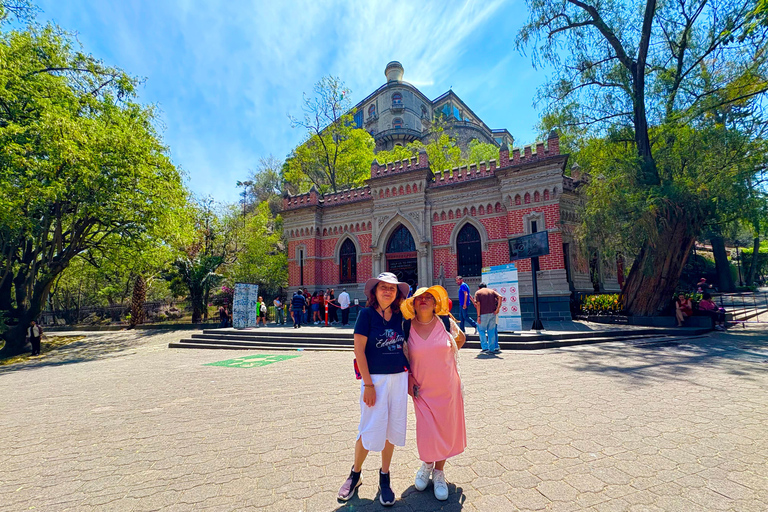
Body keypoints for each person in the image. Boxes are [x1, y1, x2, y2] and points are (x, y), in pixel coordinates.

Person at [338, 272, 410, 506]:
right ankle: (355, 473)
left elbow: (410, 344)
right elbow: (359, 351)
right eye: (383, 287)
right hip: (375, 380)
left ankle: (384, 476)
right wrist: (368, 384)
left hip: (398, 378)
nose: (388, 291)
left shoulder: (402, 316)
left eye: (392, 288)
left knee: (392, 428)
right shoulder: (366, 315)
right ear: (374, 291)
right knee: (369, 427)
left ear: (397, 293)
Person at [400, 286, 466, 501]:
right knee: (427, 431)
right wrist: (409, 377)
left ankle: (438, 472)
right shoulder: (406, 326)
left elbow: (461, 339)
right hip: (422, 389)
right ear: (413, 303)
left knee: (445, 430)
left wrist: (446, 356)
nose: (424, 300)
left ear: (436, 303)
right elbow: (403, 355)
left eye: (429, 297)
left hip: (447, 387)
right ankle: (427, 463)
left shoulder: (445, 322)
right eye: (420, 298)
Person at [473, 283, 502, 354]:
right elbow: (500, 297)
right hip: (492, 313)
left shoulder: (478, 293)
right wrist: (498, 308)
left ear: (479, 287)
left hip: (483, 314)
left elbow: (478, 304)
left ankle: (485, 347)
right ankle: (491, 348)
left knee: (481, 330)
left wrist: (478, 316)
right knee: (491, 331)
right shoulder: (491, 291)